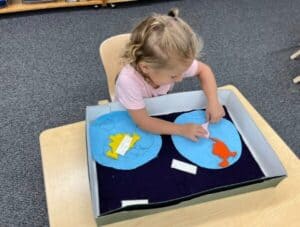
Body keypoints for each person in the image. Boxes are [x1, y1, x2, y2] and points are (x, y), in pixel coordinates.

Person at [115, 8, 225, 142]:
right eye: (173, 76)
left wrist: (213, 101)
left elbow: (204, 70)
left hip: (156, 106)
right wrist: (181, 129)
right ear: (145, 67)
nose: (179, 79)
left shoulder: (173, 62)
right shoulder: (128, 82)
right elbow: (143, 122)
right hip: (131, 112)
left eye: (181, 73)